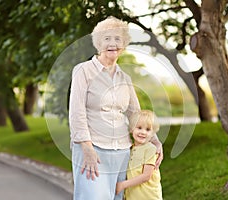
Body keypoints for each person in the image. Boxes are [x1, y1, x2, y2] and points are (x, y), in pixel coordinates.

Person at [69, 16, 163, 200]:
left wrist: (155, 141)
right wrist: (87, 148)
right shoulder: (83, 70)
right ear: (98, 43)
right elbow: (76, 111)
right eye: (107, 38)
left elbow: (136, 114)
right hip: (92, 149)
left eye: (118, 39)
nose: (112, 43)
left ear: (124, 44)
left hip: (122, 152)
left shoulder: (124, 78)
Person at [116, 110, 163, 200]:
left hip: (149, 196)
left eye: (148, 129)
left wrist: (123, 184)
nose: (143, 132)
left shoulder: (151, 149)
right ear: (131, 129)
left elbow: (146, 176)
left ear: (153, 133)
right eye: (139, 128)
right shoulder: (130, 149)